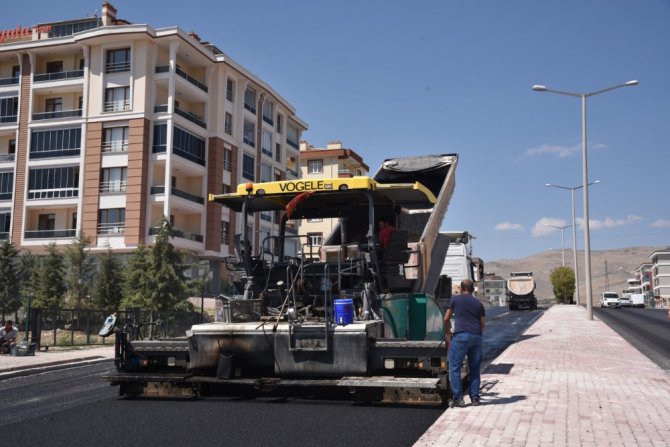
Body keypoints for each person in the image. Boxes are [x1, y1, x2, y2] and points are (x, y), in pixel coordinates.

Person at [444, 279, 486, 407]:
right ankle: (475, 398)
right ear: (473, 290)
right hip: (476, 337)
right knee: (474, 368)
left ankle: (458, 398)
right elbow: (482, 324)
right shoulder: (479, 304)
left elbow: (446, 318)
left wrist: (448, 331)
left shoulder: (456, 299)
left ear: (461, 289)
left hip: (461, 336)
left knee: (455, 367)